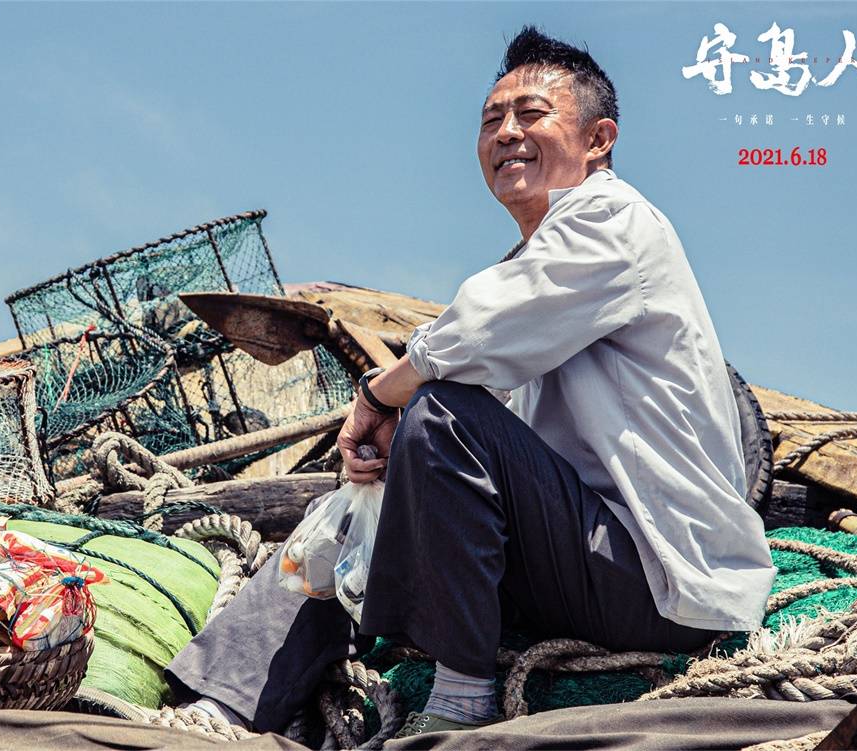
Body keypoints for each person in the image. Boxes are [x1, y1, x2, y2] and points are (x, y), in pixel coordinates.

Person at [166, 26, 775, 739]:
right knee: (348, 509)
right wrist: (395, 461)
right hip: (580, 560)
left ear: (598, 138)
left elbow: (470, 340)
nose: (506, 133)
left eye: (530, 114)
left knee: (442, 411)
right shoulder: (536, 254)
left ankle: (459, 694)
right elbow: (491, 399)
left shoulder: (613, 220)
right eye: (492, 120)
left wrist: (372, 397)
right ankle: (218, 710)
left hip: (660, 581)